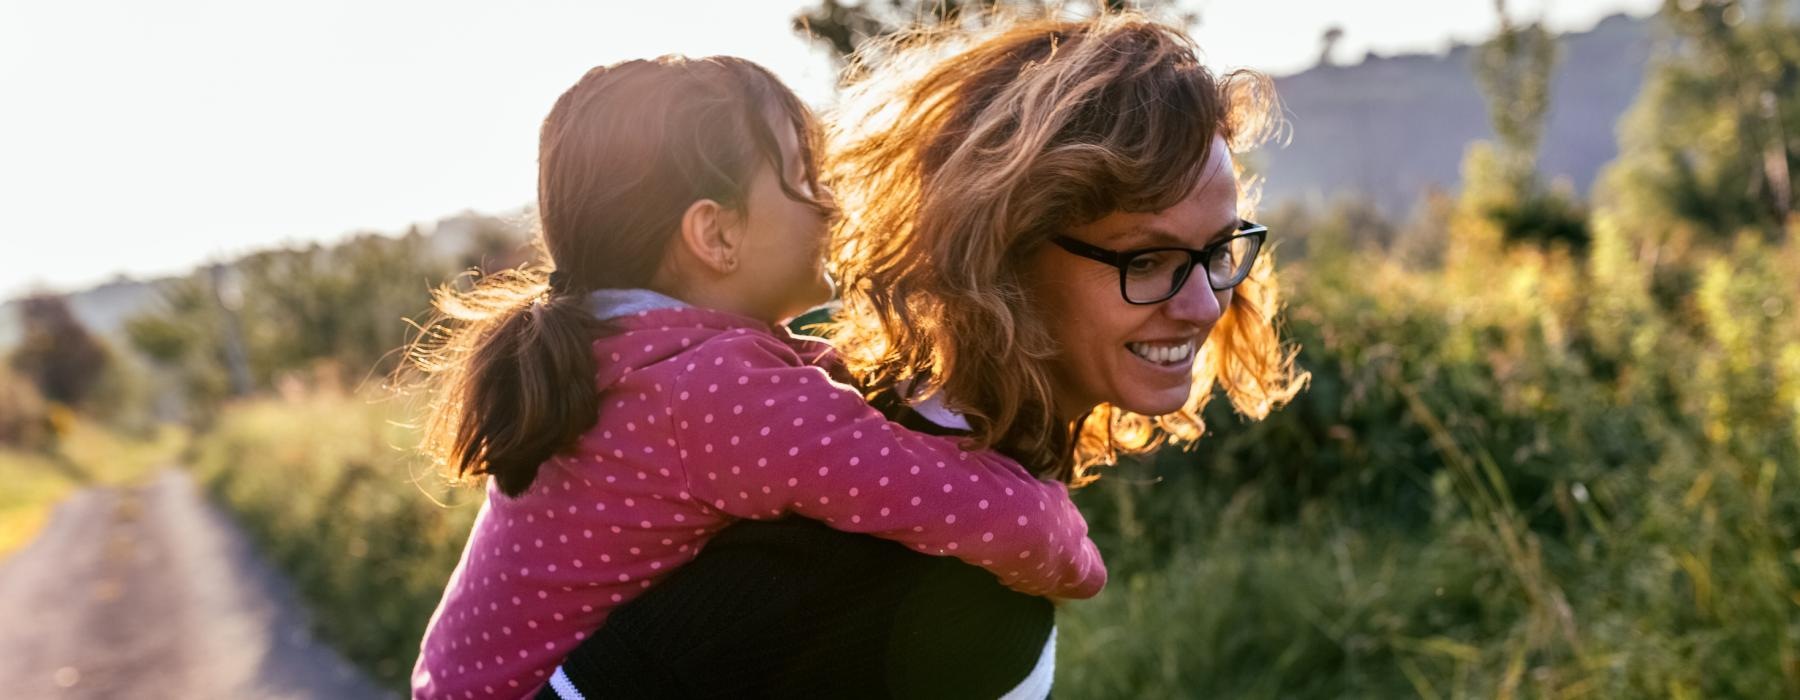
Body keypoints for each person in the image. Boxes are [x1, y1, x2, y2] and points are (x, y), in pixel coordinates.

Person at [539, 12, 1310, 699]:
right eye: (1144, 261)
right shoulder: (952, 567)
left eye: (1218, 251)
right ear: (1001, 258)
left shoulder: (880, 443)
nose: (1204, 302)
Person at [407, 55, 1108, 700]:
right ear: (716, 235)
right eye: (804, 179)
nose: (830, 203)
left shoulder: (618, 352)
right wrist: (1067, 542)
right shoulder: (712, 391)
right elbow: (959, 504)